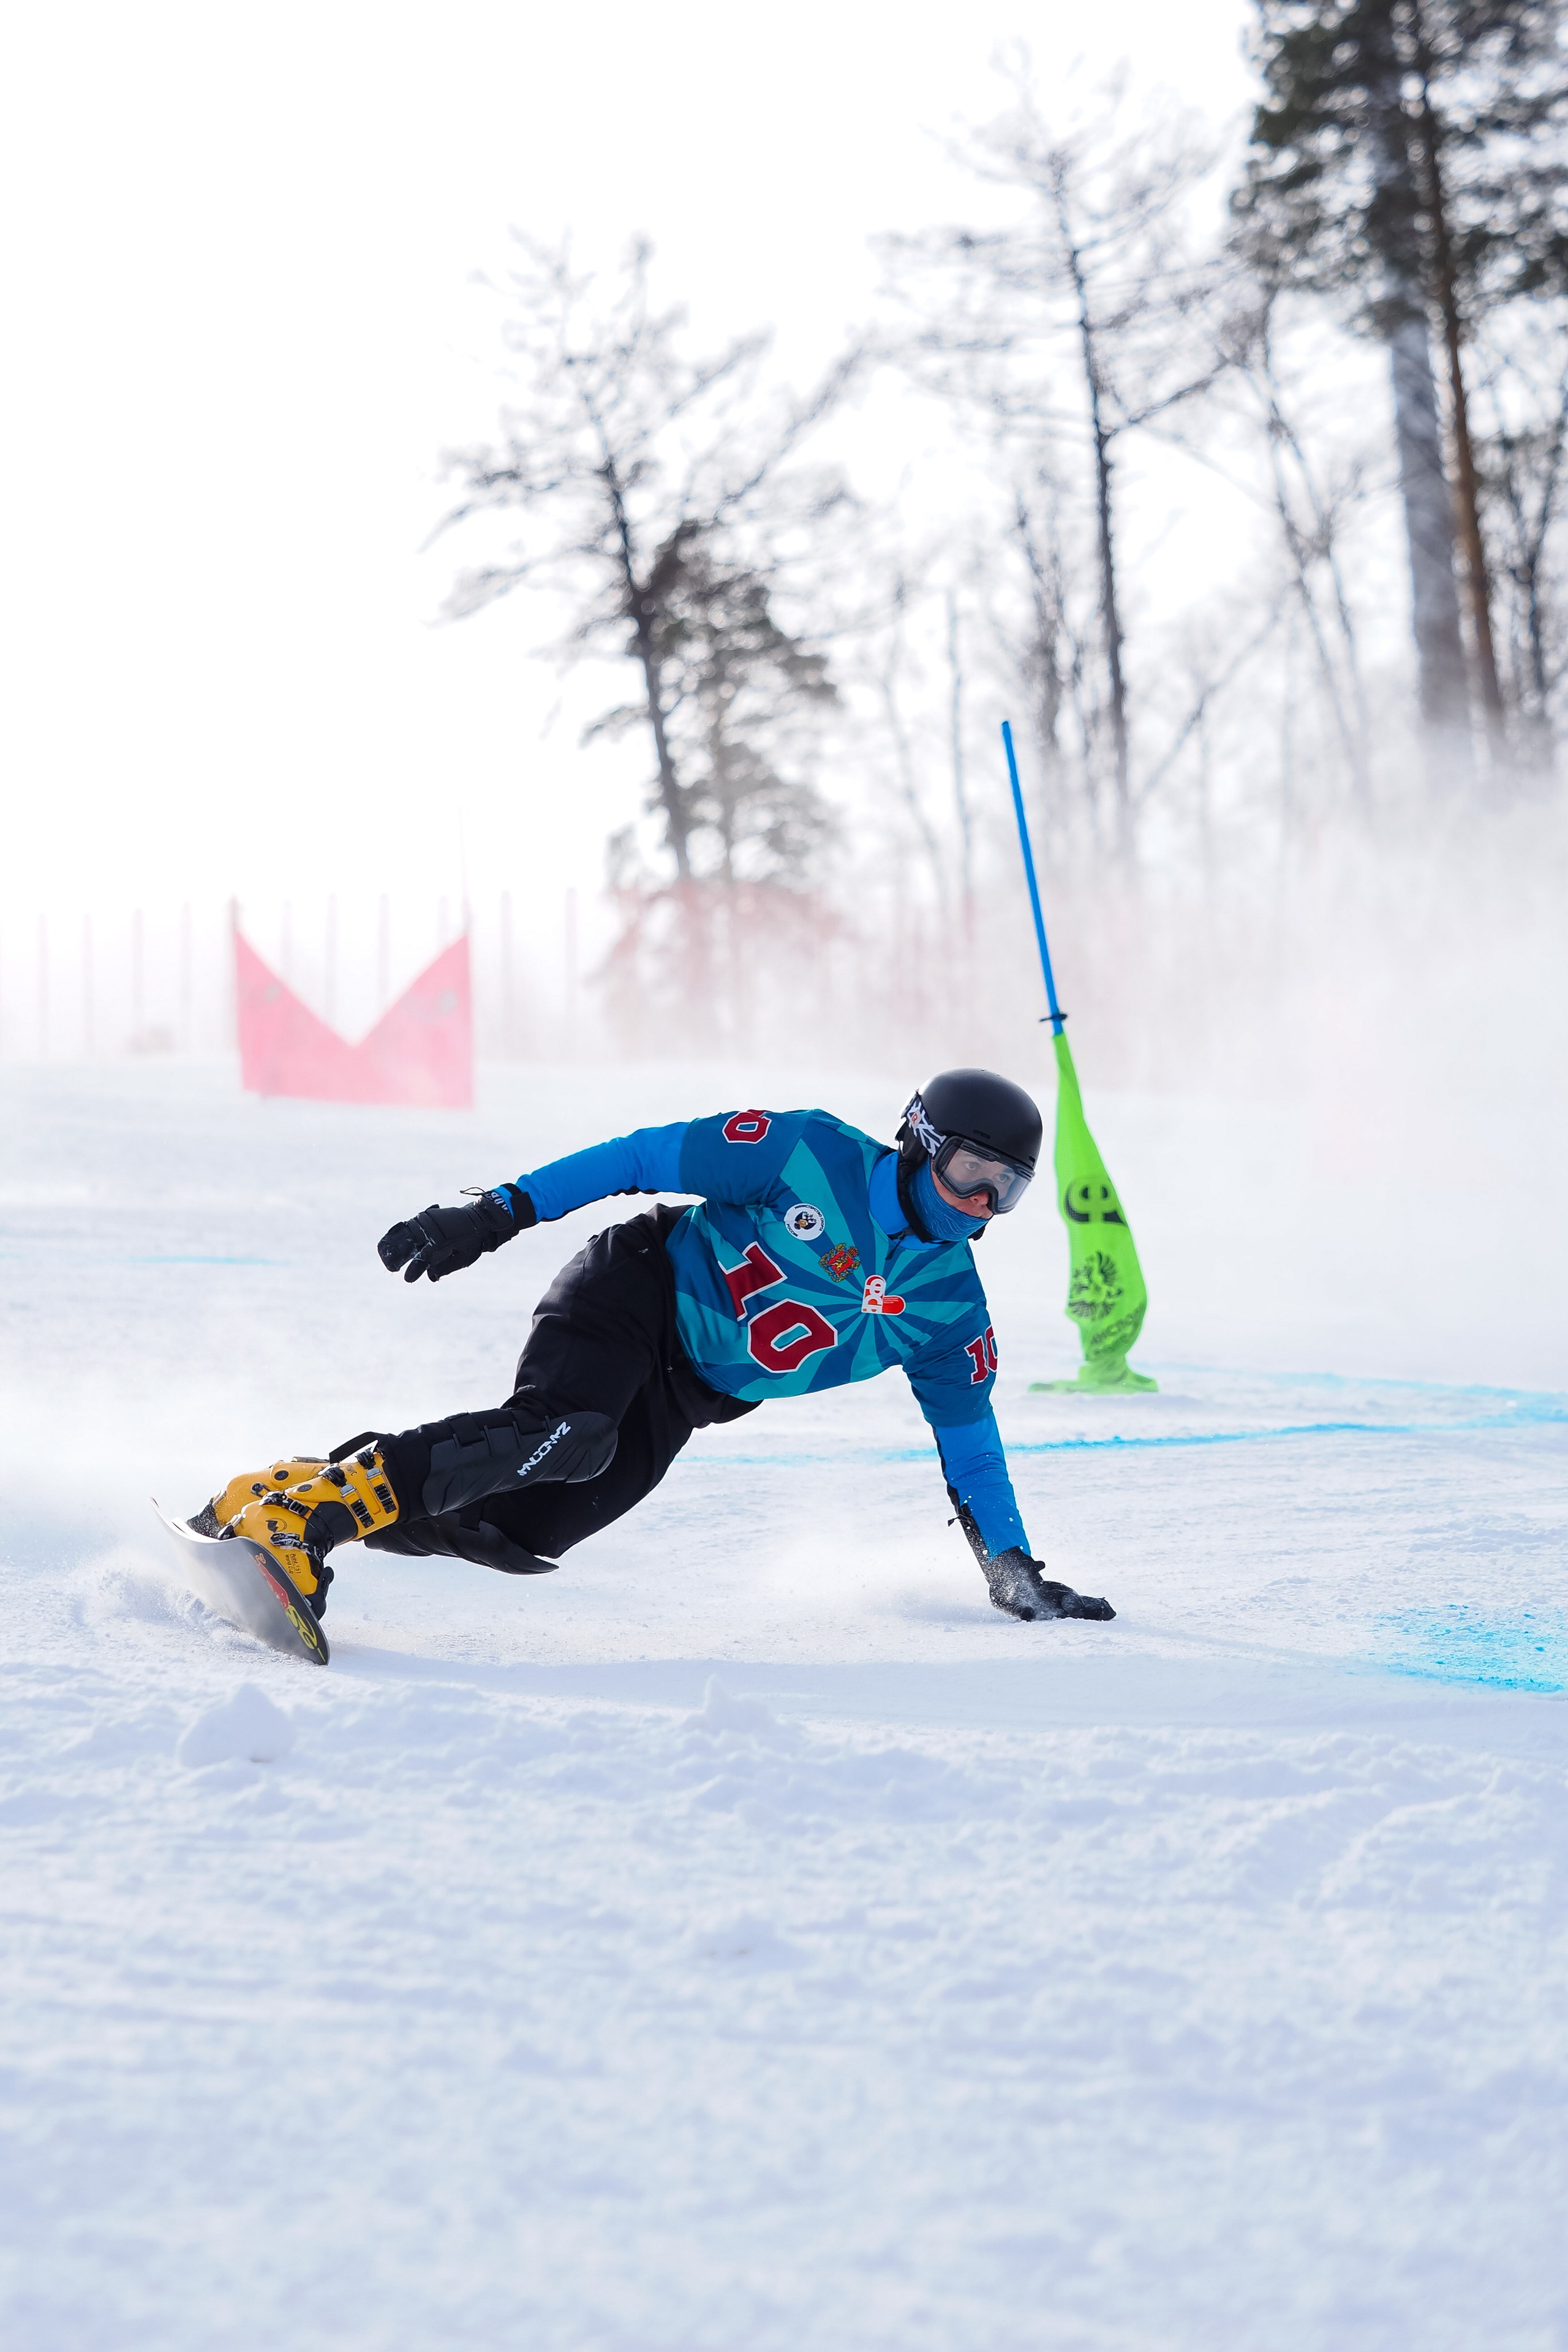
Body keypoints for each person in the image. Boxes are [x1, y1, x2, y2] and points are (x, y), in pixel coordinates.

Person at [193, 1069, 1115, 1626]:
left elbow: (970, 1444)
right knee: (565, 1430)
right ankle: (309, 1520)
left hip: (689, 1394)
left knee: (520, 1531)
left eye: (1006, 1190)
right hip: (637, 1289)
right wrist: (500, 1211)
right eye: (969, 1172)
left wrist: (1010, 1570)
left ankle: (289, 1490)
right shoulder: (806, 1154)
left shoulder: (951, 1311)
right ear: (919, 1143)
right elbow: (641, 1156)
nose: (980, 1204)